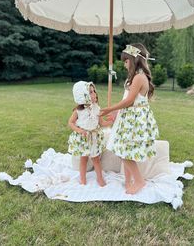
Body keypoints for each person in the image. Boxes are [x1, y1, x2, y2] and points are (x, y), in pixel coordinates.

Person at [100, 43, 159, 194]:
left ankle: (139, 181)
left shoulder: (139, 77)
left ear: (133, 60)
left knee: (124, 152)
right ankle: (128, 181)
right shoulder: (134, 77)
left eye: (126, 61)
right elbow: (126, 97)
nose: (124, 64)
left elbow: (130, 101)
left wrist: (110, 108)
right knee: (125, 150)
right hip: (128, 117)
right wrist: (116, 114)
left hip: (134, 120)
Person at [68, 81, 113, 187]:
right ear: (83, 96)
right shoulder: (78, 111)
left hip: (94, 138)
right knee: (83, 159)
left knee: (96, 159)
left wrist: (112, 122)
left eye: (94, 91)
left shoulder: (97, 108)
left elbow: (101, 123)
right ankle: (82, 179)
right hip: (83, 138)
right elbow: (70, 122)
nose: (95, 94)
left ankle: (99, 178)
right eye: (91, 92)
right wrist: (79, 130)